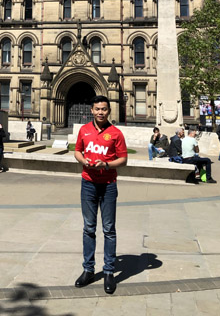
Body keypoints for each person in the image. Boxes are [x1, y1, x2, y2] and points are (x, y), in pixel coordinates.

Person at [74, 96, 128, 294]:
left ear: (109, 111)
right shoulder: (84, 130)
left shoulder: (116, 133)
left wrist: (107, 165)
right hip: (88, 183)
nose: (100, 112)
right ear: (91, 110)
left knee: (108, 229)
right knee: (89, 227)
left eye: (104, 109)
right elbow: (77, 151)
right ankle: (88, 270)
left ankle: (109, 272)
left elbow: (123, 159)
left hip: (108, 185)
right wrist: (84, 161)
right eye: (97, 109)